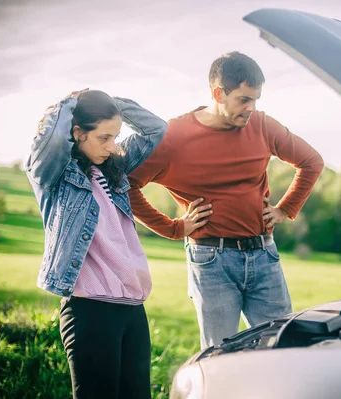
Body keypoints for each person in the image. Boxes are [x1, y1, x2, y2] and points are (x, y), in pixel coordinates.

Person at [128, 51, 325, 349]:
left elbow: (312, 162)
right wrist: (173, 228)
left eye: (255, 100)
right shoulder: (173, 137)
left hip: (264, 256)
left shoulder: (262, 126)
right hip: (211, 261)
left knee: (282, 349)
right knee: (221, 355)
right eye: (243, 100)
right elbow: (128, 185)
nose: (251, 109)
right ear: (218, 93)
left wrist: (286, 209)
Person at [25, 89, 167, 399]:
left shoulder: (113, 171)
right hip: (91, 311)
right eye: (104, 138)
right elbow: (47, 143)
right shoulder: (55, 176)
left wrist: (115, 103)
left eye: (115, 137)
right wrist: (69, 102)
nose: (111, 146)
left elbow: (156, 129)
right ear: (77, 133)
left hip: (132, 309)